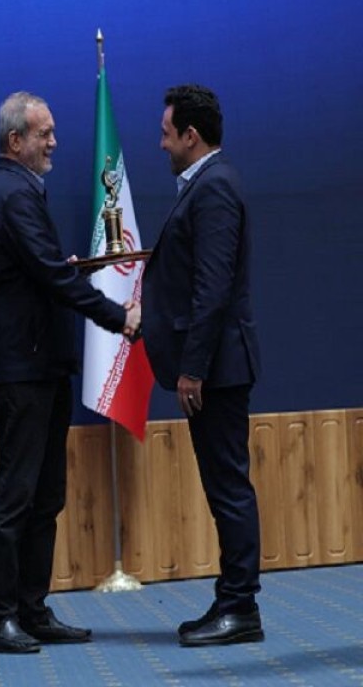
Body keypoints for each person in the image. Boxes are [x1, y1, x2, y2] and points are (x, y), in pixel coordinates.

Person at [0, 92, 140, 654]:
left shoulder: (22, 191)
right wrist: (120, 317)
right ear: (15, 140)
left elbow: (41, 271)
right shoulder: (12, 193)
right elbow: (50, 275)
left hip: (41, 365)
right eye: (43, 134)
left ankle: (31, 609)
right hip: (21, 369)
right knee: (16, 496)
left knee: (45, 495)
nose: (54, 142)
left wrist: (60, 270)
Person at [141, 84, 263, 647]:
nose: (161, 144)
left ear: (191, 136)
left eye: (167, 134)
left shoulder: (213, 187)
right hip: (214, 364)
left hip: (216, 368)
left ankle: (241, 607)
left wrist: (192, 369)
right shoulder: (207, 183)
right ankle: (231, 597)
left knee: (228, 488)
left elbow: (212, 289)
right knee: (222, 487)